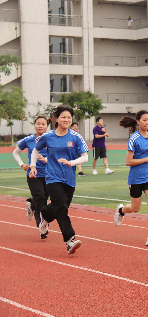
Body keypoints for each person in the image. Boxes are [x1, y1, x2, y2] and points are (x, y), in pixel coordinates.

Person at [29, 106, 89, 254]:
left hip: (69, 178)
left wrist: (71, 162)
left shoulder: (76, 137)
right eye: (63, 117)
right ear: (57, 119)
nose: (66, 120)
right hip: (52, 177)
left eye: (69, 117)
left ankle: (44, 215)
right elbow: (36, 150)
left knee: (61, 206)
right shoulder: (48, 136)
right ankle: (70, 240)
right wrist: (32, 166)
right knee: (61, 207)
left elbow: (85, 156)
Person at [114, 110, 148, 246]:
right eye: (144, 120)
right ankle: (121, 210)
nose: (147, 122)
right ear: (138, 121)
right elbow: (128, 161)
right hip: (135, 178)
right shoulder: (134, 138)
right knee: (135, 208)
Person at [13, 116, 51, 237]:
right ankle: (41, 226)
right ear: (34, 125)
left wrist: (45, 159)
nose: (40, 126)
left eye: (43, 124)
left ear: (47, 126)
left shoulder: (52, 139)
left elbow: (57, 155)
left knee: (43, 199)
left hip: (49, 175)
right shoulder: (28, 140)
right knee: (41, 198)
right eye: (38, 124)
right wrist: (22, 164)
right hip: (33, 174)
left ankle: (32, 204)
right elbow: (15, 152)